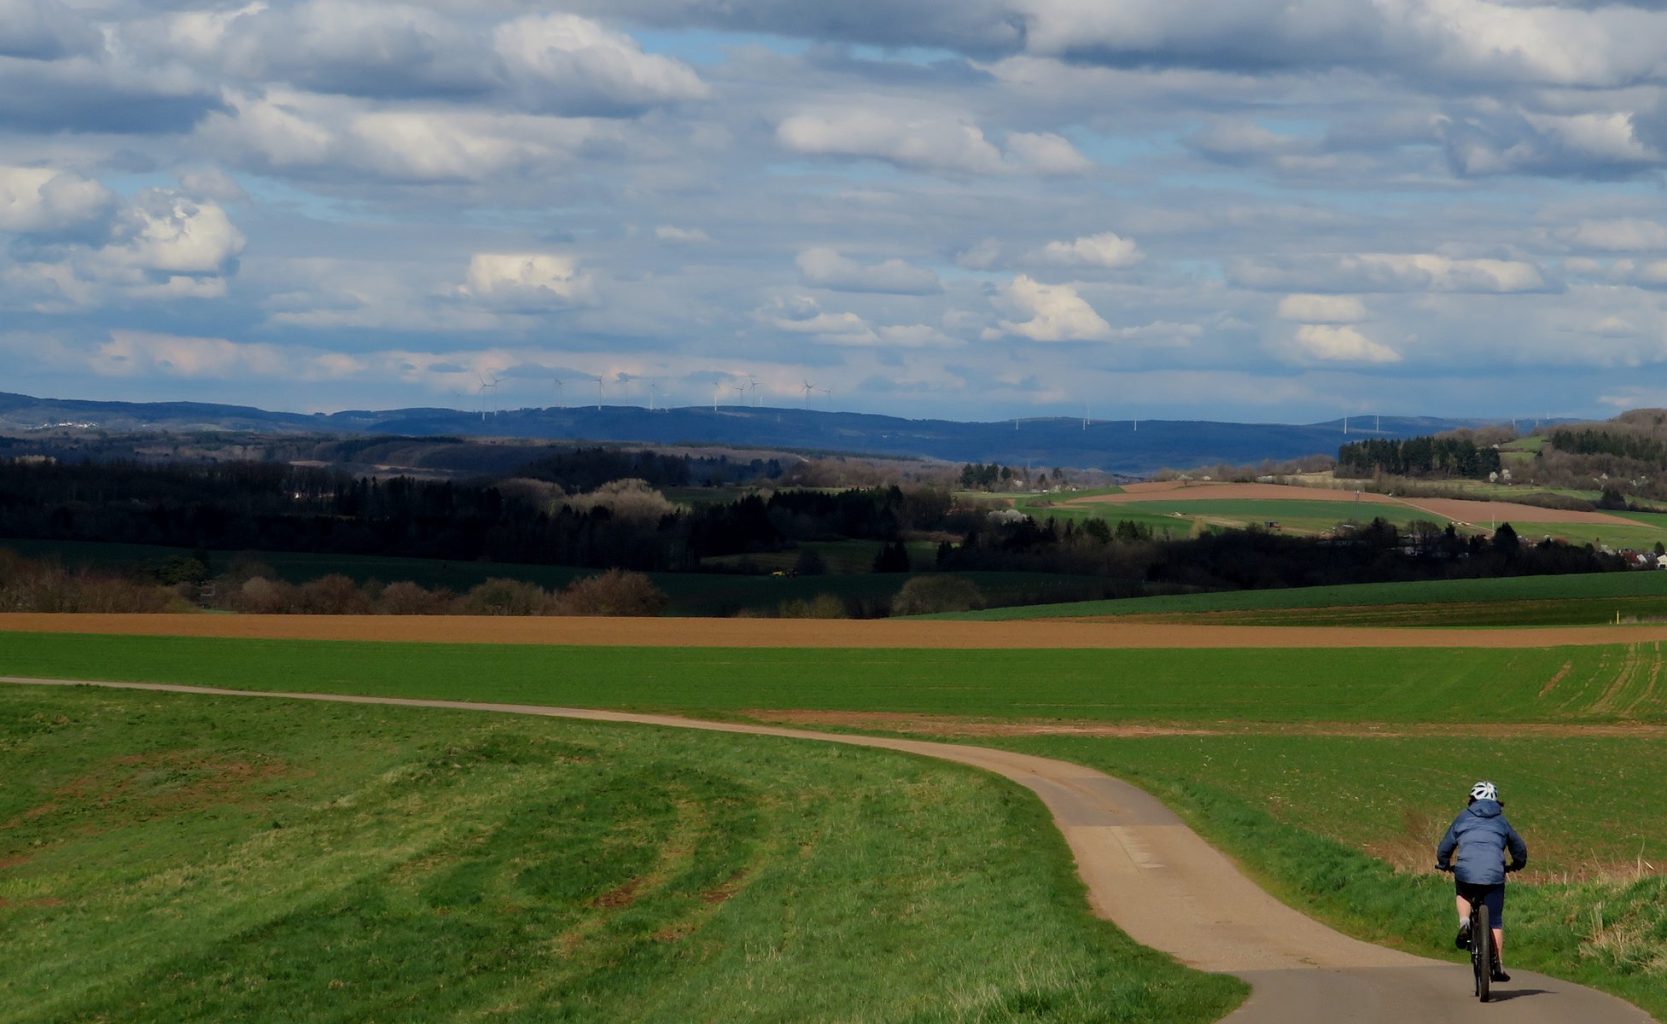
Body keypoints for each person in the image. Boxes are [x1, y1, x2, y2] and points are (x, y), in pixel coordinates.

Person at [1436, 780, 1528, 982]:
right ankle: (1498, 966)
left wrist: (1443, 863)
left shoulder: (1462, 818)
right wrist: (1518, 864)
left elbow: (1445, 846)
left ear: (1472, 799)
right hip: (1494, 873)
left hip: (1466, 872)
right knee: (1494, 920)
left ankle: (1464, 923)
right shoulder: (1501, 822)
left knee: (1463, 892)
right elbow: (1518, 847)